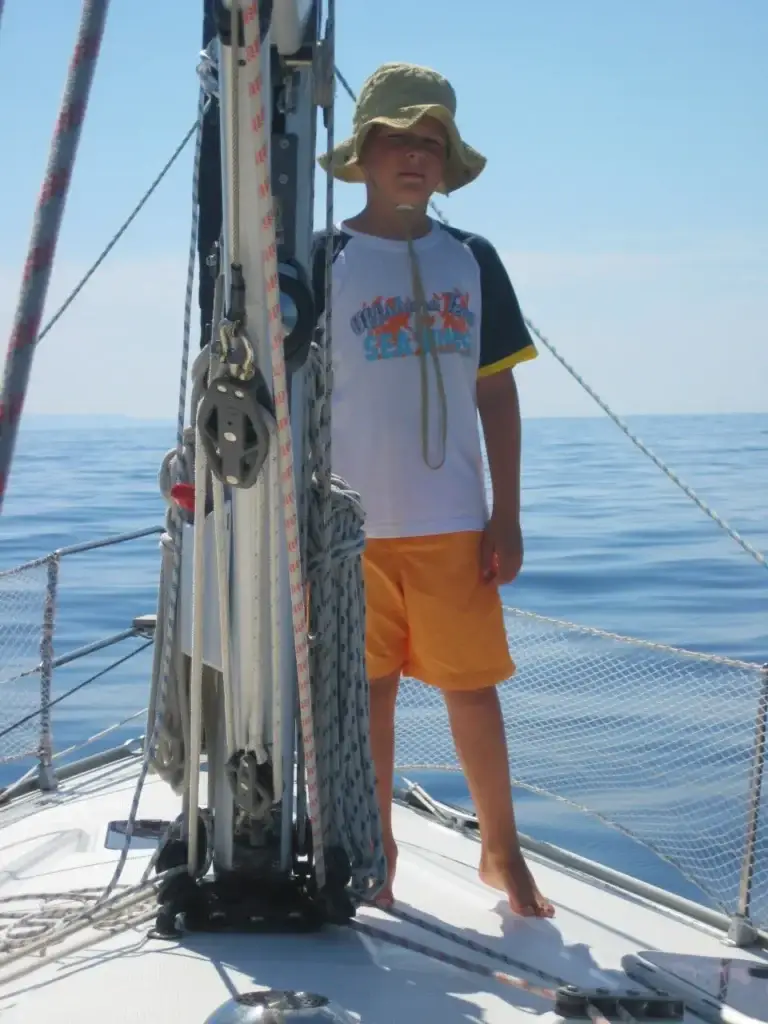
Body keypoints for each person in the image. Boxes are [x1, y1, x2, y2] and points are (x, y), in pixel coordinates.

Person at [316, 62, 554, 918]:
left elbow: (497, 391)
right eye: (397, 140)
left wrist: (508, 514)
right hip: (349, 530)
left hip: (456, 520)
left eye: (431, 143)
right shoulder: (325, 259)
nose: (414, 157)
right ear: (364, 154)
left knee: (472, 690)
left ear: (448, 161)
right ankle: (376, 858)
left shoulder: (472, 260)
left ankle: (503, 852)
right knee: (367, 694)